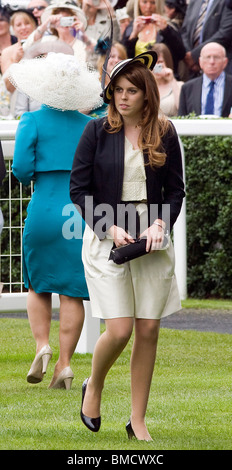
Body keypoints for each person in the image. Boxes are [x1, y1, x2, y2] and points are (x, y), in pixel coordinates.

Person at [70, 51, 185, 440]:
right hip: (108, 238)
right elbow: (79, 190)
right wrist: (110, 227)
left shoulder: (166, 131)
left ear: (146, 94)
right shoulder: (96, 132)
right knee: (119, 330)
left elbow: (175, 191)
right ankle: (94, 386)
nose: (122, 97)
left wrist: (159, 224)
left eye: (131, 90)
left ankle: (137, 421)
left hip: (152, 240)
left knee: (148, 329)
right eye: (117, 90)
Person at [9, 52, 102, 389]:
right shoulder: (91, 125)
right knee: (72, 292)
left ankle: (42, 346)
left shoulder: (30, 121)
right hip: (79, 213)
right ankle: (64, 364)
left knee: (38, 283)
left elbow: (20, 170)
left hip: (44, 209)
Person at [122, 0, 186, 78]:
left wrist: (166, 30)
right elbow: (123, 57)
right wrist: (133, 36)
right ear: (138, 4)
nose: (148, 7)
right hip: (137, 77)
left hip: (162, 77)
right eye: (144, 2)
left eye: (152, 2)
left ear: (159, 4)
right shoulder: (132, 26)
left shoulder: (168, 25)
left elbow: (181, 54)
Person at [23, 1, 88, 64]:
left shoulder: (83, 44)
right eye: (59, 20)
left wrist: (82, 33)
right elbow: (27, 48)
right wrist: (45, 24)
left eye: (67, 19)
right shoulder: (48, 40)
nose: (63, 23)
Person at [178, 42, 232, 117]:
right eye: (207, 57)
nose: (212, 62)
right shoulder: (187, 88)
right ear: (200, 62)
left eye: (216, 57)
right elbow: (181, 119)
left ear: (225, 62)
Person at [181, 0, 232, 79]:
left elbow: (225, 33)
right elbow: (184, 30)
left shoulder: (226, 2)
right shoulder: (195, 2)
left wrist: (195, 56)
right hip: (192, 69)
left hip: (218, 68)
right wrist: (188, 55)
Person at [1, 10, 38, 93]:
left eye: (27, 23)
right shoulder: (7, 52)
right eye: (18, 25)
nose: (23, 27)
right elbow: (7, 87)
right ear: (13, 29)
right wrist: (16, 61)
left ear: (34, 25)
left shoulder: (43, 47)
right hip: (18, 99)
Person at [152, 43, 183, 116]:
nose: (157, 67)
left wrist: (172, 80)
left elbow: (182, 109)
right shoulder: (146, 87)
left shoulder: (180, 86)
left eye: (160, 62)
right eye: (154, 63)